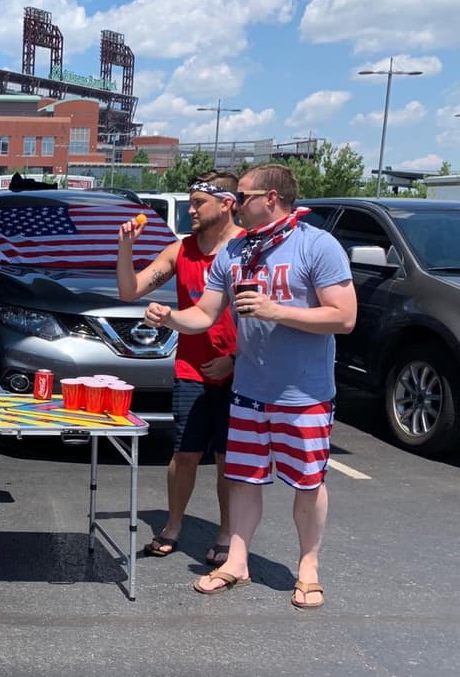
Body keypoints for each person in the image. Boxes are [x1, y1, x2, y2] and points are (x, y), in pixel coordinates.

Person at [143, 163, 356, 609]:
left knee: (307, 483)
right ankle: (236, 562)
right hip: (250, 391)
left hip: (304, 394)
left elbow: (344, 317)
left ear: (271, 199)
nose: (235, 204)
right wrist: (170, 318)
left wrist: (276, 311)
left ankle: (308, 567)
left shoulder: (316, 245)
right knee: (243, 480)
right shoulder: (237, 251)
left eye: (243, 196)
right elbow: (203, 314)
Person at [117, 172, 241, 565]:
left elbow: (269, 319)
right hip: (191, 368)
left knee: (228, 458)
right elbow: (129, 290)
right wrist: (125, 249)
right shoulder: (180, 250)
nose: (190, 210)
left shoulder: (246, 249)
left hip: (242, 371)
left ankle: (226, 532)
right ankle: (172, 524)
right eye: (189, 202)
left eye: (198, 203)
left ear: (227, 203)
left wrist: (235, 359)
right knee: (184, 453)